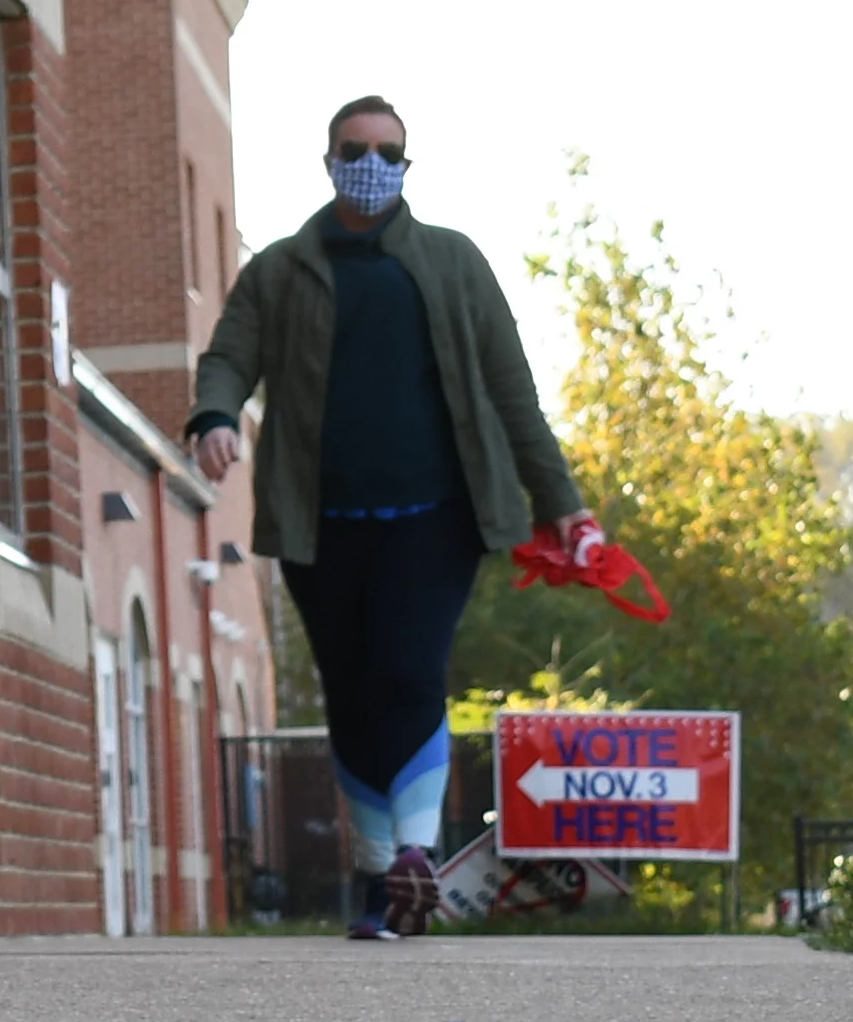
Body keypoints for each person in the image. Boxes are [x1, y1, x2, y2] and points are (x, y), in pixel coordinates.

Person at [183, 98, 603, 942]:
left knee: (410, 672)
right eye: (355, 149)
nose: (371, 163)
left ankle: (415, 857)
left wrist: (565, 507)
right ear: (329, 157)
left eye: (389, 152)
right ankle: (381, 879)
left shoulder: (452, 263)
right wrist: (215, 415)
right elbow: (230, 354)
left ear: (407, 166)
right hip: (318, 523)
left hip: (436, 519)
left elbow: (513, 394)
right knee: (352, 693)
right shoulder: (279, 270)